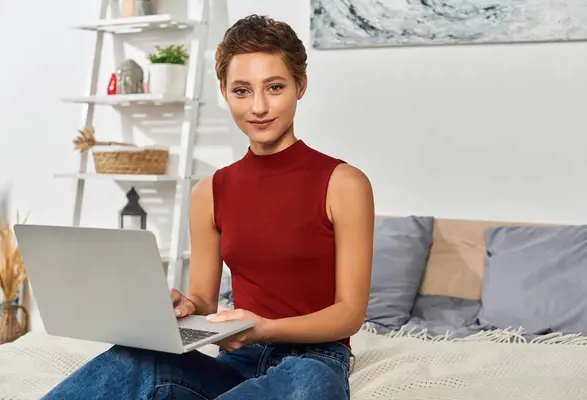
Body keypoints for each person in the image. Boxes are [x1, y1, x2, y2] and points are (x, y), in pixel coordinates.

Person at [42, 14, 374, 400]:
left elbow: (349, 313)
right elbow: (203, 301)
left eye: (275, 87)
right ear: (224, 91)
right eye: (242, 91)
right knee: (135, 358)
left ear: (300, 85)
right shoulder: (210, 191)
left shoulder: (344, 183)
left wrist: (265, 327)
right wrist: (181, 307)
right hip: (237, 362)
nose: (259, 107)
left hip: (314, 361)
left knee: (308, 385)